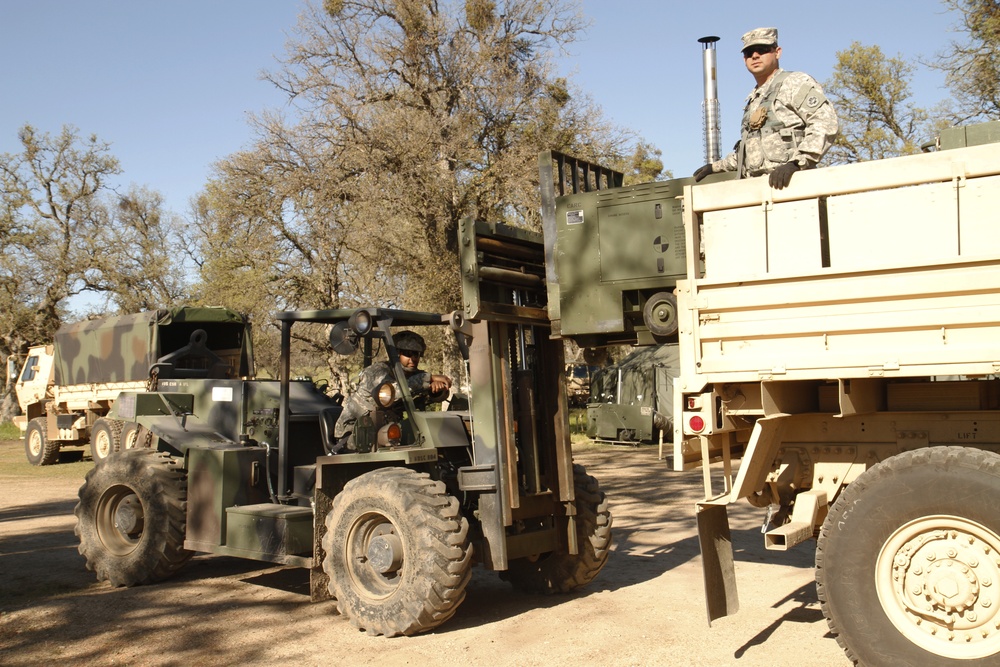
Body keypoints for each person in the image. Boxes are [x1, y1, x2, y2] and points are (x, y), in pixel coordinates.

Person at [693, 27, 838, 190]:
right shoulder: (754, 99)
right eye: (749, 53)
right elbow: (750, 153)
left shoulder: (793, 83)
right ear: (744, 60)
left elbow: (824, 123)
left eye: (762, 50)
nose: (755, 56)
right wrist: (714, 167)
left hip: (795, 186)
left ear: (777, 52)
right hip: (759, 189)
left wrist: (797, 163)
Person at [333, 330, 452, 451]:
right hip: (355, 433)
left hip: (388, 435)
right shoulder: (377, 372)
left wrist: (435, 389)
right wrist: (428, 378)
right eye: (408, 353)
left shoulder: (412, 374)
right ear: (396, 353)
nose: (413, 359)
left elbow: (421, 394)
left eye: (416, 354)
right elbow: (393, 391)